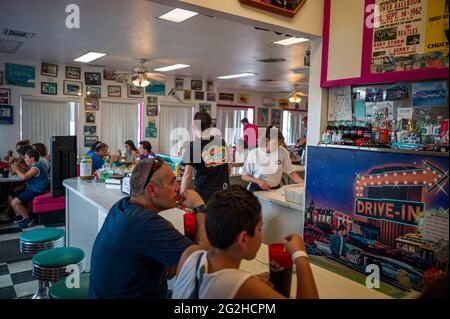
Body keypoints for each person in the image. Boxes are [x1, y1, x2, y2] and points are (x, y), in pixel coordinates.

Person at [88, 158, 210, 299]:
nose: (178, 187)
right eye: (172, 182)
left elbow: (169, 270)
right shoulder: (144, 223)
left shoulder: (122, 206)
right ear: (151, 190)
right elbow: (203, 261)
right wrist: (199, 206)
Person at [172, 186, 319, 299]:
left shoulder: (190, 254)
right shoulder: (239, 284)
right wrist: (300, 256)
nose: (262, 234)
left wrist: (253, 284)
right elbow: (230, 285)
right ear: (243, 239)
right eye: (260, 228)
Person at [180, 111, 230, 203]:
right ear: (211, 126)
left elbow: (187, 175)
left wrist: (181, 196)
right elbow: (228, 169)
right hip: (223, 193)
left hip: (204, 194)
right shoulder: (222, 142)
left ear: (194, 127)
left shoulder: (193, 146)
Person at [242, 126, 304, 191]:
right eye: (274, 144)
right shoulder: (254, 154)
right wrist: (258, 181)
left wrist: (304, 185)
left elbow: (291, 173)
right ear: (267, 140)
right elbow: (244, 176)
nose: (277, 147)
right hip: (257, 189)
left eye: (279, 144)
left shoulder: (282, 151)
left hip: (275, 189)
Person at [8, 149, 48, 228]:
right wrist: (18, 166)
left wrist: (16, 169)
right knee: (10, 197)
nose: (24, 159)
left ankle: (28, 219)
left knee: (14, 202)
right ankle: (22, 216)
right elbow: (25, 174)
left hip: (37, 190)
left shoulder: (36, 168)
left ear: (32, 159)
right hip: (31, 188)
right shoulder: (33, 166)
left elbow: (24, 177)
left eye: (26, 158)